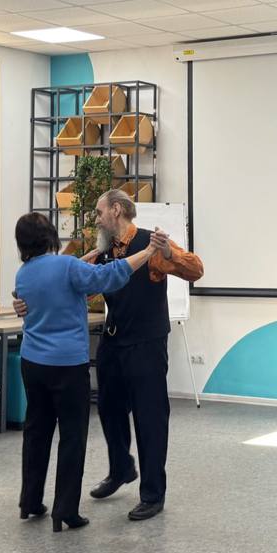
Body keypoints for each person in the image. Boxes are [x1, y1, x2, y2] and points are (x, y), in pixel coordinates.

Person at [12, 213, 157, 532]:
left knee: (36, 432)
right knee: (72, 437)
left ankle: (30, 501)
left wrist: (80, 262)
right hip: (67, 365)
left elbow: (53, 283)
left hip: (33, 363)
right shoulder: (67, 267)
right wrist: (147, 252)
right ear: (50, 236)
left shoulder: (24, 274)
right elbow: (110, 276)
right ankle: (65, 511)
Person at [87, 190, 204, 521]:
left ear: (117, 210)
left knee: (149, 418)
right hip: (113, 342)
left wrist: (167, 251)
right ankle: (121, 468)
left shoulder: (151, 244)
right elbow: (88, 285)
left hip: (146, 345)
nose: (96, 219)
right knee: (109, 409)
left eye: (99, 212)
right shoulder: (105, 250)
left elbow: (195, 269)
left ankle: (153, 494)